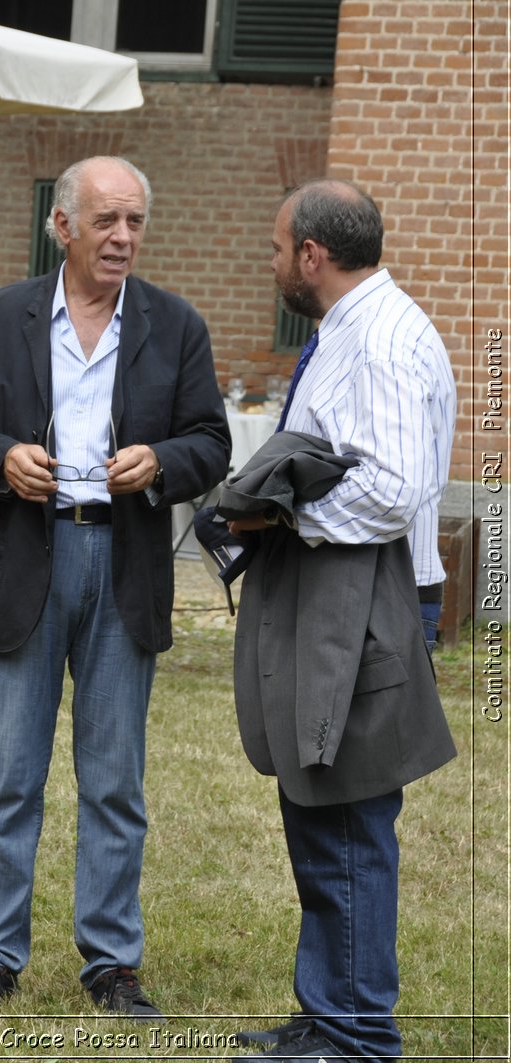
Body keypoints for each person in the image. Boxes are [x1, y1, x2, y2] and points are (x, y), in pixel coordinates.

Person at [0, 156, 230, 1018]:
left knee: (114, 777)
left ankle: (112, 962)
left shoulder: (175, 325)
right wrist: (1, 459)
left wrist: (163, 461)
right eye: (107, 221)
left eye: (136, 221)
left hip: (124, 560)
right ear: (61, 226)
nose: (124, 238)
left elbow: (212, 442)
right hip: (29, 556)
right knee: (8, 775)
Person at [224, 180, 457, 1063]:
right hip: (334, 593)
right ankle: (327, 1012)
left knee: (349, 818)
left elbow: (393, 492)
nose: (274, 262)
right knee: (320, 809)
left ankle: (356, 1036)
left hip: (362, 594)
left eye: (280, 249)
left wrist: (276, 516)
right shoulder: (351, 328)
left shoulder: (384, 341)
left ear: (313, 256)